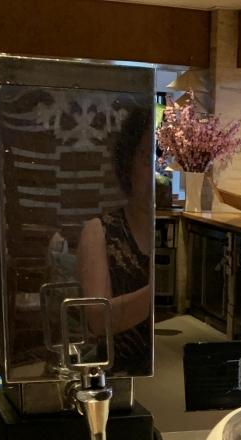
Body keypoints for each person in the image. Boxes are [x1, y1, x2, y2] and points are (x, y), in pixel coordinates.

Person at [77, 102, 154, 375]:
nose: (157, 172)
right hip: (119, 377)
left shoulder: (182, 234)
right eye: (147, 158)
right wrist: (157, 295)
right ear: (128, 163)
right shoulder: (99, 231)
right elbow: (97, 319)